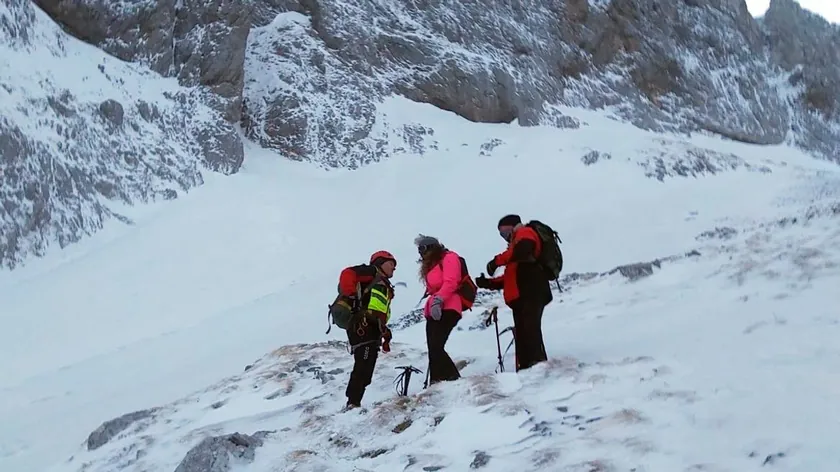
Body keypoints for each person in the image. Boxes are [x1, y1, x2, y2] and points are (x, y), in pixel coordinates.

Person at [475, 214, 552, 371]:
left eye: (504, 232)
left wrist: (496, 261)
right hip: (521, 296)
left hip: (531, 291)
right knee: (524, 332)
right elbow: (510, 277)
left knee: (530, 329)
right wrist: (489, 283)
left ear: (512, 227)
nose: (504, 237)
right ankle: (527, 369)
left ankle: (537, 367)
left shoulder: (524, 233)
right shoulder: (514, 249)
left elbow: (523, 250)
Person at [336, 250, 396, 410]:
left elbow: (378, 310)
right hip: (361, 324)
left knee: (367, 366)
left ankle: (354, 402)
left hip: (370, 326)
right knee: (363, 364)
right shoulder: (370, 272)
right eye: (392, 263)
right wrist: (351, 297)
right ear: (381, 262)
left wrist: (384, 330)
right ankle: (353, 402)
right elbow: (347, 273)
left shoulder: (381, 282)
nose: (394, 268)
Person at [415, 235, 464, 385]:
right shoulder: (433, 266)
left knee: (436, 345)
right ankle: (436, 380)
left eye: (422, 249)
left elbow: (451, 281)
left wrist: (439, 299)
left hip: (449, 306)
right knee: (433, 347)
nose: (421, 254)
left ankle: (452, 379)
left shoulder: (449, 258)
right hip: (434, 310)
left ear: (431, 247)